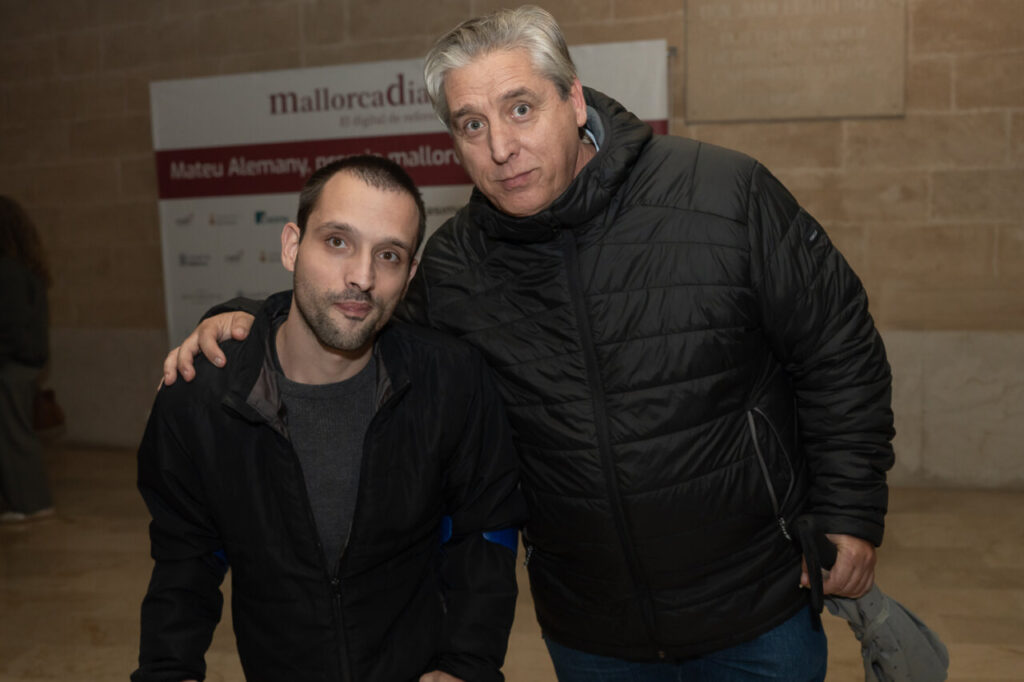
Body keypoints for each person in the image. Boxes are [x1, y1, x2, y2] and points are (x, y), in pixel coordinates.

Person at [163, 7, 896, 680]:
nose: (502, 148)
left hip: (756, 610)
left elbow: (839, 348)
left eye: (520, 108)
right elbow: (351, 309)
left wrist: (850, 513)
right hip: (591, 631)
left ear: (573, 101)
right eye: (471, 125)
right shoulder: (451, 268)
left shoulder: (722, 193)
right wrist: (243, 315)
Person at [134, 156, 525, 682]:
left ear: (409, 275)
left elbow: (485, 531)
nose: (361, 277)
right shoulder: (201, 398)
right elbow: (183, 563)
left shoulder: (451, 381)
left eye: (389, 255)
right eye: (337, 241)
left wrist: (468, 665)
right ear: (292, 246)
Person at [0, 195, 55, 524]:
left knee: (15, 436)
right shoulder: (26, 267)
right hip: (23, 363)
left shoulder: (7, 270)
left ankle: (31, 503)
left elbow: (10, 327)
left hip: (12, 366)